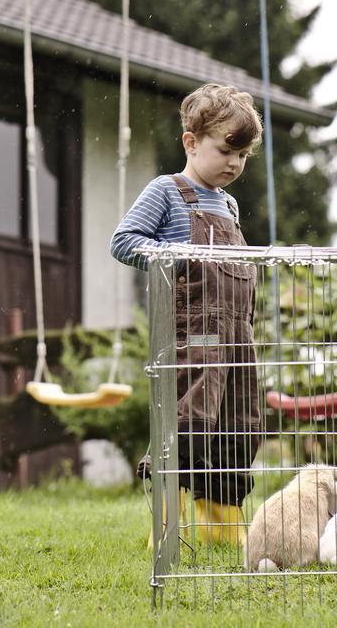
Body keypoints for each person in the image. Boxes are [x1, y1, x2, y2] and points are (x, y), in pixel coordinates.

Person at [111, 83, 263, 546]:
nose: (234, 164)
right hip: (193, 333)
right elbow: (124, 240)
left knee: (240, 424)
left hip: (238, 335)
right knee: (191, 419)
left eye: (242, 155)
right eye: (225, 151)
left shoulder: (230, 204)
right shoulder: (167, 191)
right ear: (191, 142)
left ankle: (222, 530)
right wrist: (174, 256)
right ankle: (167, 525)